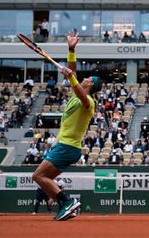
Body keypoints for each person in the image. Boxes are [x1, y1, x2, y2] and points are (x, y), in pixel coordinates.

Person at [32, 30, 102, 221]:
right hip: (66, 147)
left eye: (88, 79)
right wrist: (71, 49)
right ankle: (62, 201)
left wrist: (71, 77)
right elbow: (73, 70)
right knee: (45, 177)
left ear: (91, 84)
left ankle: (66, 202)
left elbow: (77, 86)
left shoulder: (88, 102)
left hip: (68, 146)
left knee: (37, 176)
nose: (85, 78)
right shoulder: (75, 93)